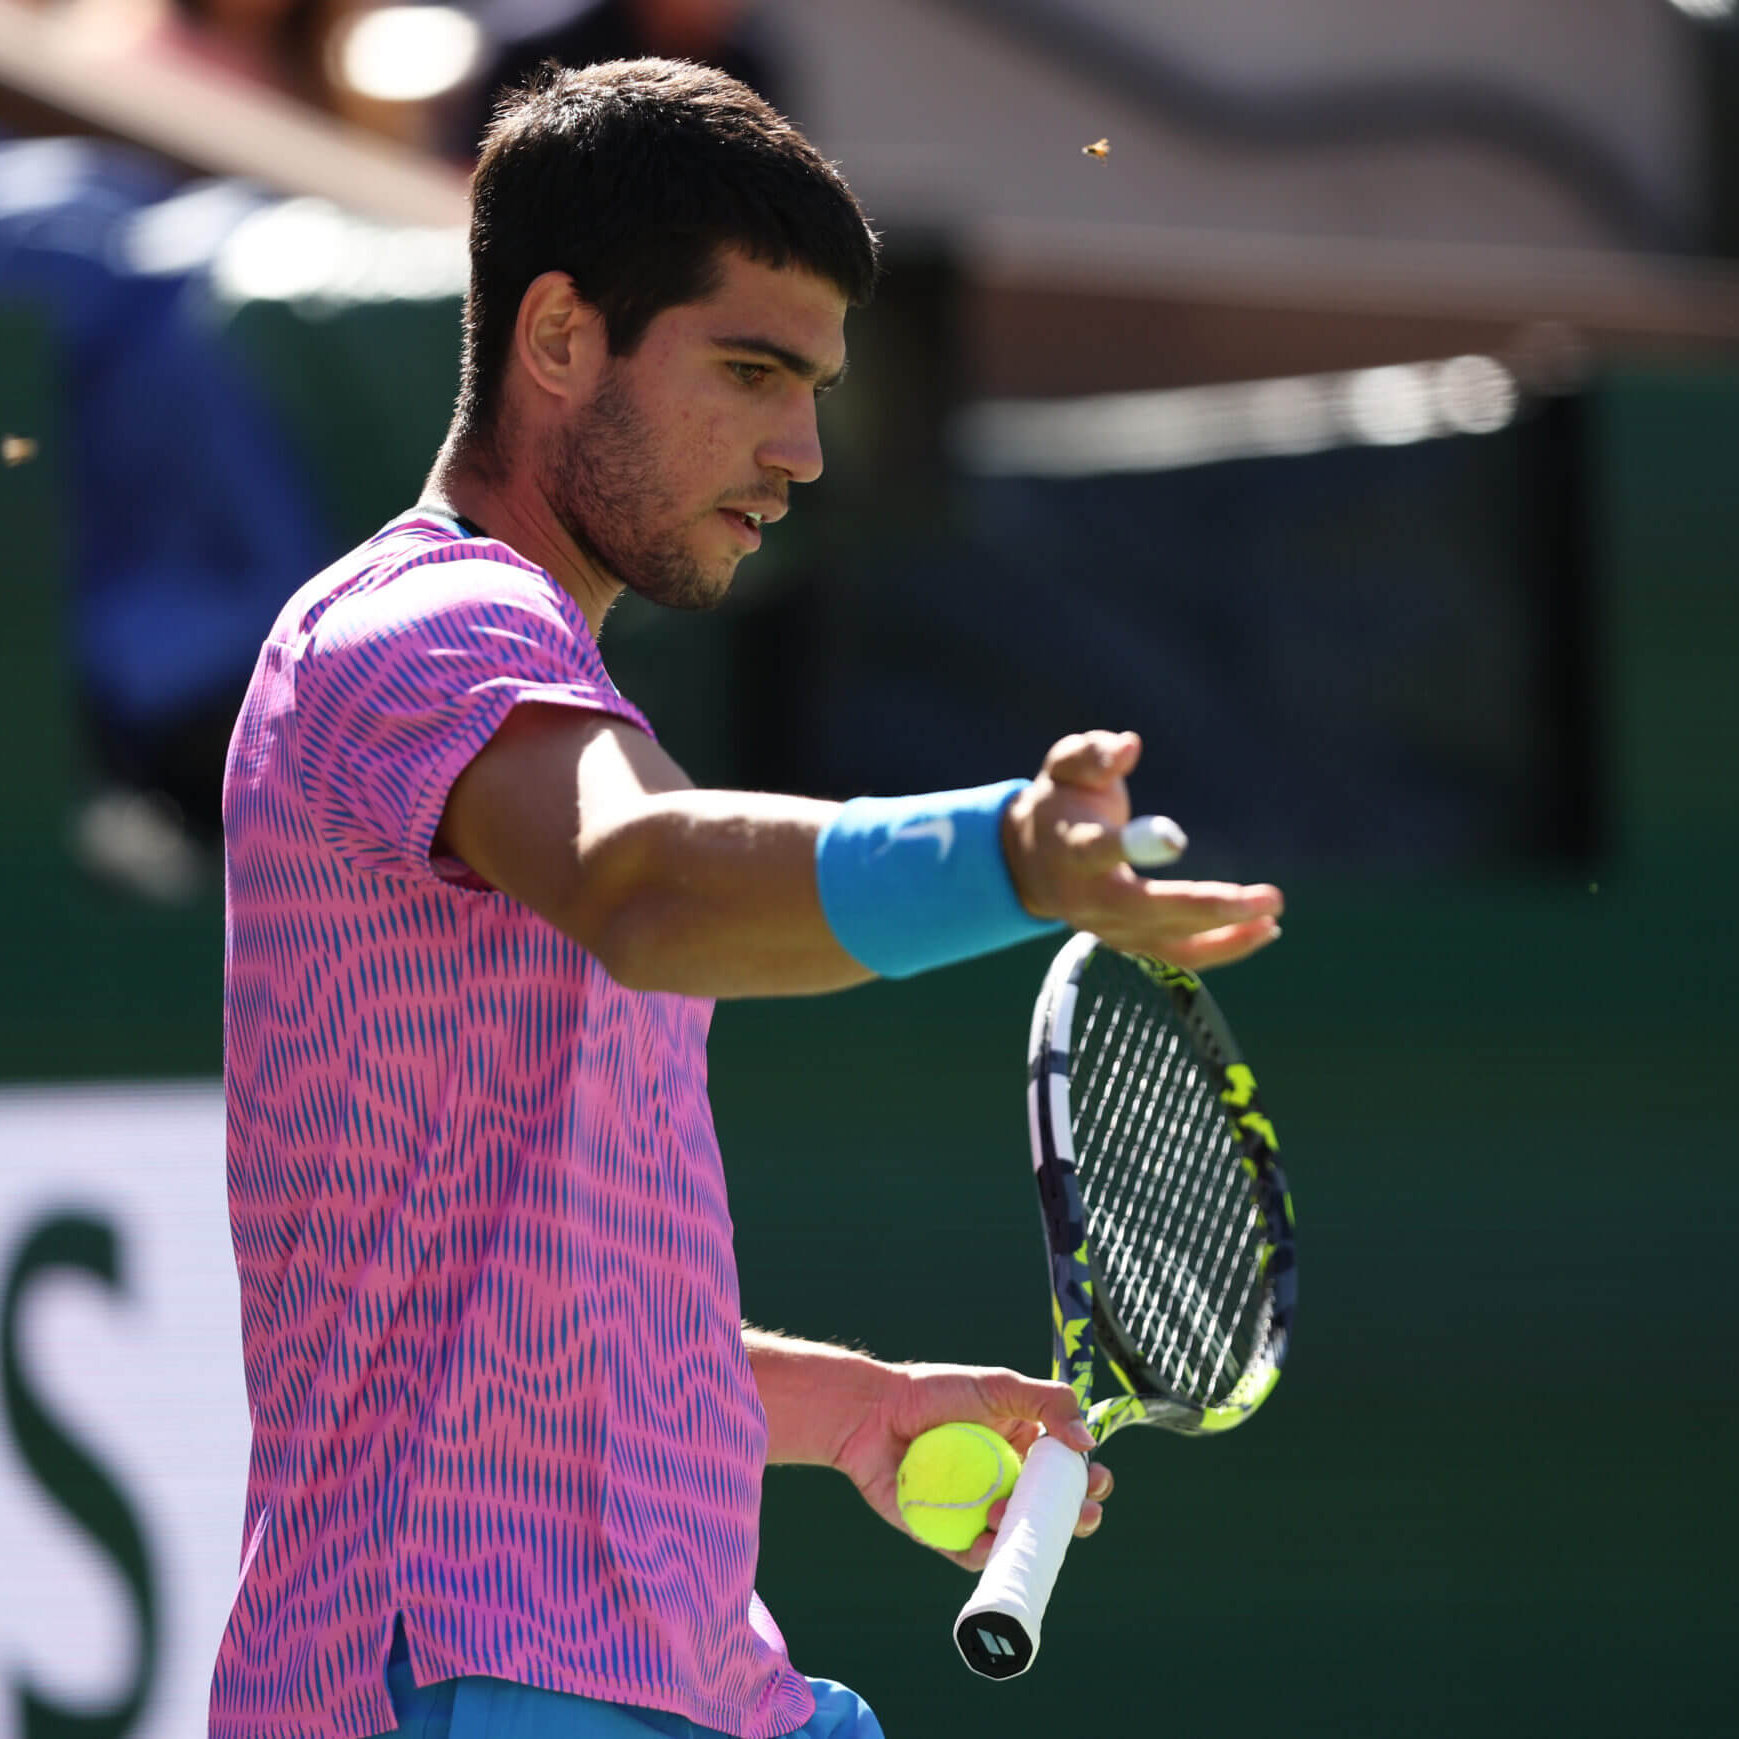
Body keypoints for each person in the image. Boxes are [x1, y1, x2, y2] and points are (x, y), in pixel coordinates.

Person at [212, 58, 1284, 1739]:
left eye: (817, 386)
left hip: (675, 1681)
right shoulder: (415, 630)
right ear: (562, 337)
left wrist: (845, 1409)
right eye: (753, 371)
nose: (801, 451)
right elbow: (648, 884)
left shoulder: (519, 670)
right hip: (469, 1679)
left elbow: (510, 1306)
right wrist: (1005, 855)